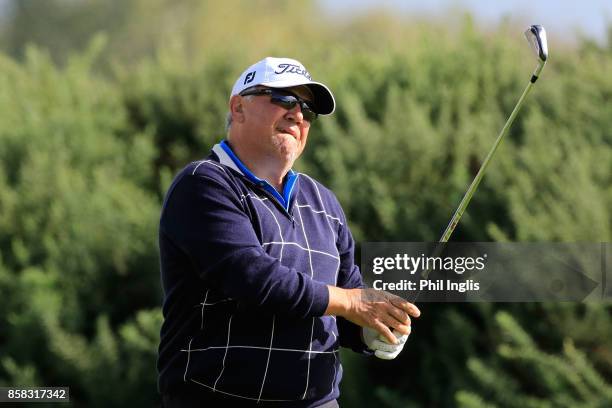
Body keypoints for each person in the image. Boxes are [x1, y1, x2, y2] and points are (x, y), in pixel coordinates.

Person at [157, 57, 421, 407]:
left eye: (307, 110)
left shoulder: (323, 201)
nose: (298, 115)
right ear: (238, 108)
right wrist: (353, 302)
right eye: (283, 99)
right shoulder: (204, 184)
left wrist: (374, 331)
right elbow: (253, 277)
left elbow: (346, 302)